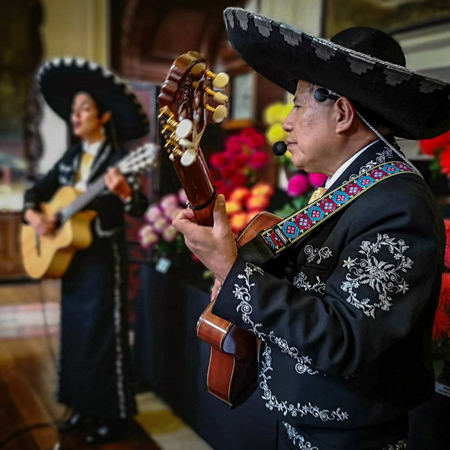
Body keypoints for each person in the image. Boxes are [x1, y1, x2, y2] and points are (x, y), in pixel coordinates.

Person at [173, 8, 450, 450]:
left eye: (299, 104)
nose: (287, 120)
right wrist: (229, 261)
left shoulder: (399, 205)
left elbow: (348, 339)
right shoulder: (355, 187)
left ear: (341, 112)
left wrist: (231, 268)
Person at [23, 58, 149, 444]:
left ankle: (115, 415)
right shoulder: (70, 159)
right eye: (74, 110)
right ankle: (80, 407)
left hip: (101, 260)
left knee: (104, 336)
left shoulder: (118, 161)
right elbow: (36, 192)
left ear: (104, 115)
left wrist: (127, 194)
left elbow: (142, 208)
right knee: (75, 336)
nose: (76, 116)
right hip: (70, 262)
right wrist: (34, 217)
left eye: (85, 109)